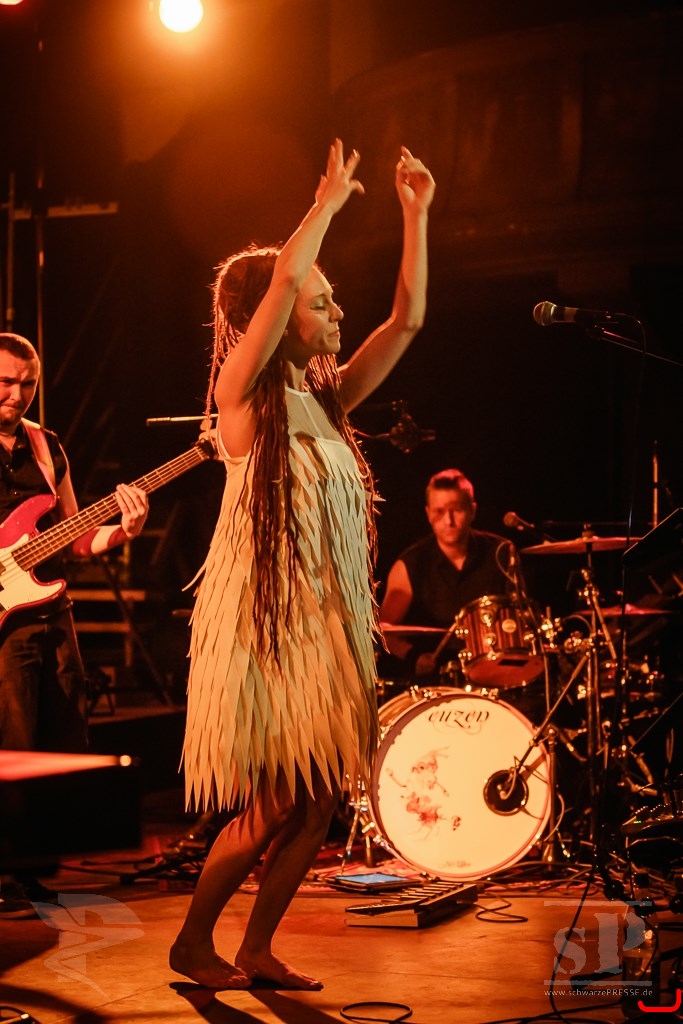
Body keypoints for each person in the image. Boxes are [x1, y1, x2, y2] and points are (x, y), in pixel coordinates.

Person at [169, 139, 435, 990]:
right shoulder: (241, 398)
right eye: (322, 303)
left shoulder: (325, 400)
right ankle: (192, 941)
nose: (336, 311)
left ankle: (255, 948)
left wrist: (415, 214)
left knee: (319, 801)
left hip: (326, 626)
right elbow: (283, 277)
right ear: (278, 317)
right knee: (276, 801)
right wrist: (324, 205)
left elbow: (406, 322)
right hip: (270, 626)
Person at [0, 332, 149, 916]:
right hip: (8, 625)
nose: (17, 394)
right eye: (5, 382)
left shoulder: (47, 445)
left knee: (65, 738)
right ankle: (8, 875)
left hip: (53, 610)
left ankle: (35, 872)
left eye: (27, 384)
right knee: (16, 744)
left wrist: (123, 532)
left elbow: (74, 534)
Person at [379, 468, 517, 678]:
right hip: (437, 680)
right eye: (439, 511)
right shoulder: (409, 565)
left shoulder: (502, 553)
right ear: (428, 513)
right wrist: (414, 657)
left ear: (472, 511)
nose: (448, 520)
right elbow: (384, 630)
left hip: (497, 673)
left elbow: (522, 618)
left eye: (457, 510)